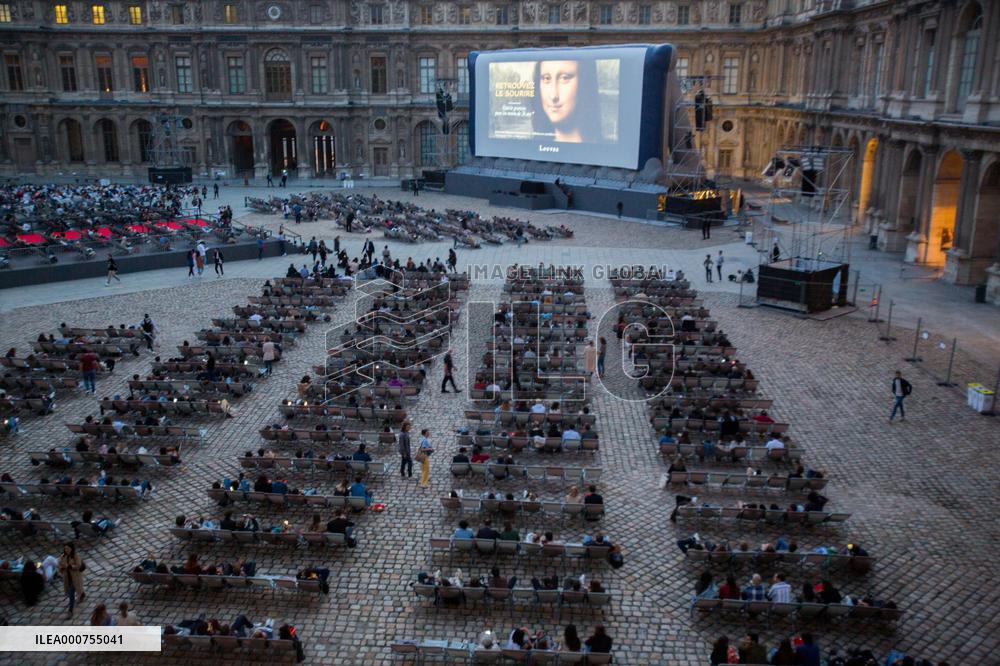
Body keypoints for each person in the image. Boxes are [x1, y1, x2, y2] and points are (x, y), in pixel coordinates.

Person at [532, 59, 602, 143]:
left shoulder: (604, 151)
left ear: (584, 82)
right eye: (546, 78)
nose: (553, 96)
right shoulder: (530, 148)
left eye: (564, 78)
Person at [58, 542, 85, 618]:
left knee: (71, 593)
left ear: (71, 548)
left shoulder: (76, 556)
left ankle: (70, 611)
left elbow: (78, 565)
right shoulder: (63, 556)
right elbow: (60, 565)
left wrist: (70, 566)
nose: (66, 550)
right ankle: (82, 594)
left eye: (68, 548)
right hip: (68, 578)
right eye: (65, 548)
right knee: (73, 591)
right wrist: (61, 569)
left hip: (75, 577)